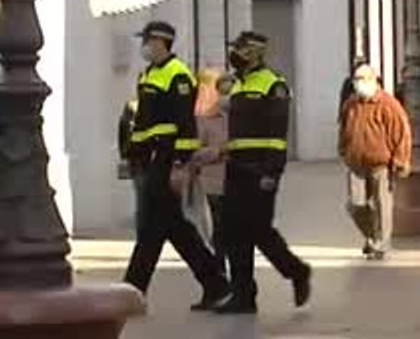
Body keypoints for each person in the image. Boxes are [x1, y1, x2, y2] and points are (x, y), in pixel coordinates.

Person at [122, 21, 231, 310]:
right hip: (151, 161)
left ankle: (132, 291)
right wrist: (133, 155)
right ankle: (215, 284)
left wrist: (180, 166)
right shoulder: (150, 74)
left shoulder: (178, 75)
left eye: (147, 40)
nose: (144, 46)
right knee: (168, 228)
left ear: (160, 41)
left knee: (156, 228)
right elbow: (144, 123)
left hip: (167, 161)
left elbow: (185, 126)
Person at [220, 31, 312, 314]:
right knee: (232, 232)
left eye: (240, 49)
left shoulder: (274, 85)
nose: (234, 54)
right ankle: (243, 295)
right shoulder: (238, 84)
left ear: (254, 53)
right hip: (236, 167)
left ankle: (297, 271)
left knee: (259, 230)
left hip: (260, 169)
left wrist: (271, 171)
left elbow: (277, 135)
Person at [339, 64, 412, 260]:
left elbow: (402, 133)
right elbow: (343, 128)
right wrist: (344, 151)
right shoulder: (351, 104)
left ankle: (382, 243)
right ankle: (372, 235)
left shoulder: (388, 104)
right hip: (356, 164)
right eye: (356, 79)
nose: (357, 83)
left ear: (372, 80)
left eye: (361, 79)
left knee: (382, 204)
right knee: (355, 205)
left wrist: (401, 160)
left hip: (381, 164)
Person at [189, 68, 230, 274]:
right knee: (219, 230)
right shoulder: (206, 120)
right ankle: (220, 271)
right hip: (215, 185)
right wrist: (219, 151)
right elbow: (194, 154)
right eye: (223, 92)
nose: (227, 98)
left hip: (242, 182)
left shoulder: (245, 119)